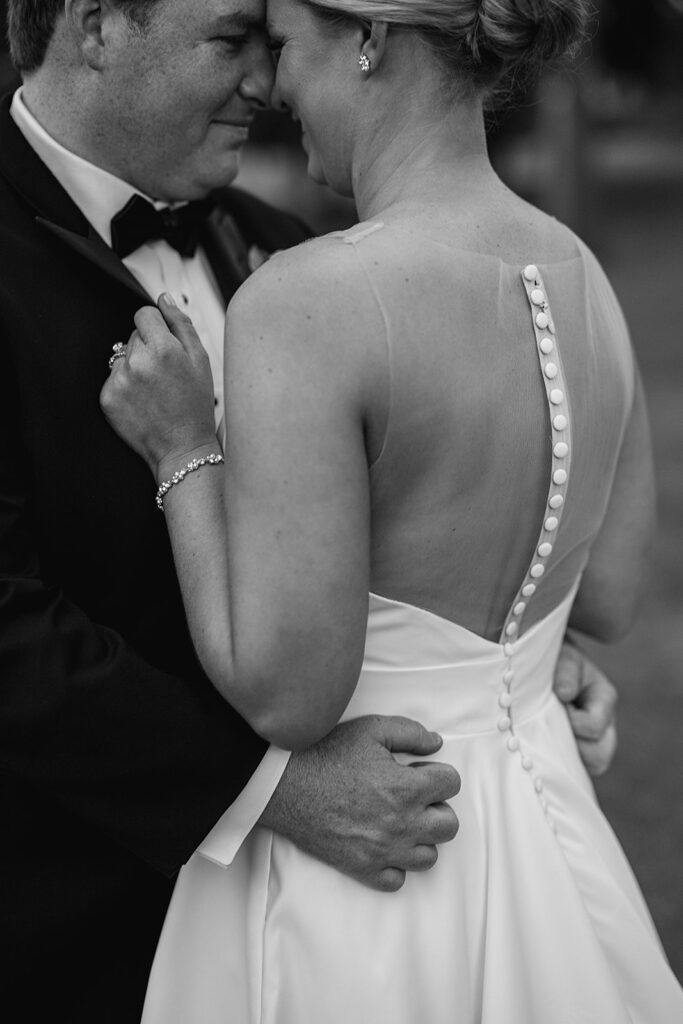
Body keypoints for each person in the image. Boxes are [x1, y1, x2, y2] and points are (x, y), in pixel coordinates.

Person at [0, 0, 618, 1020]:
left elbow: (360, 536)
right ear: (98, 24)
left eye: (271, 45)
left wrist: (510, 637)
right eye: (228, 41)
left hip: (328, 922)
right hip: (71, 923)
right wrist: (270, 789)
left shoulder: (281, 248)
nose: (267, 82)